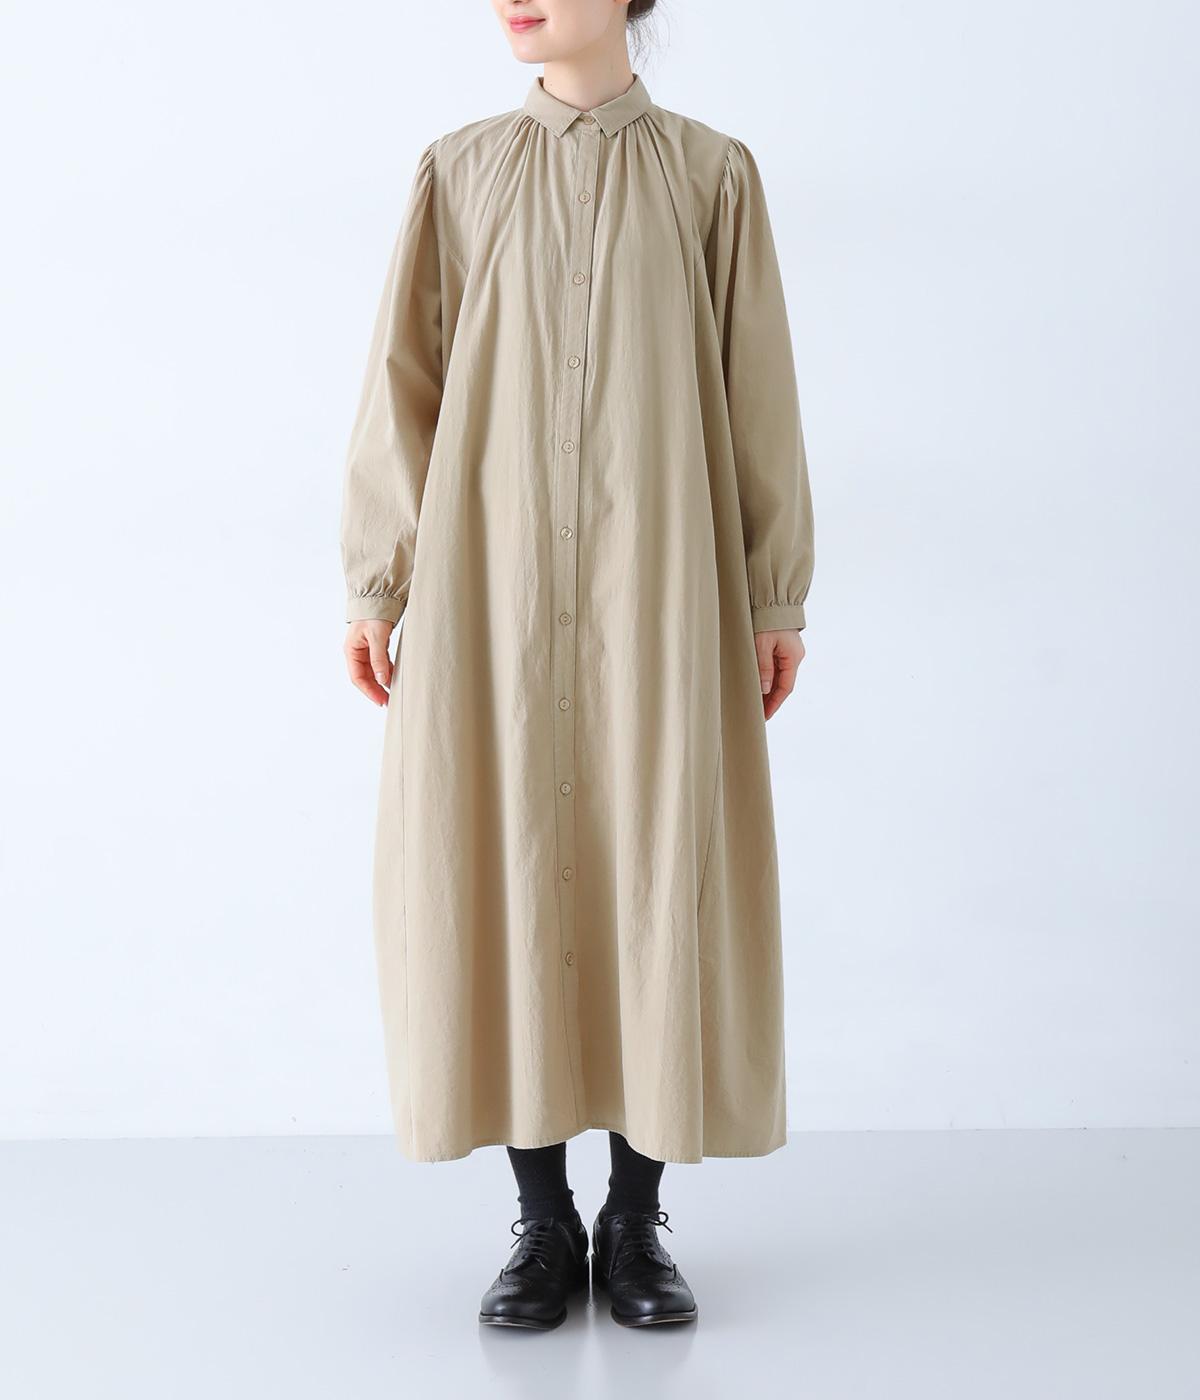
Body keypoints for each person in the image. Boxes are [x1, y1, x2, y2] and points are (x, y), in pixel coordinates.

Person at [339, 0, 814, 1331]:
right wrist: (379, 574)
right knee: (503, 864)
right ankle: (542, 1220)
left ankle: (636, 1220)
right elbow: (404, 385)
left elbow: (759, 389)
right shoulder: (459, 172)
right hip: (488, 587)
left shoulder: (712, 175)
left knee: (654, 862)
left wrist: (774, 588)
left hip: (659, 586)